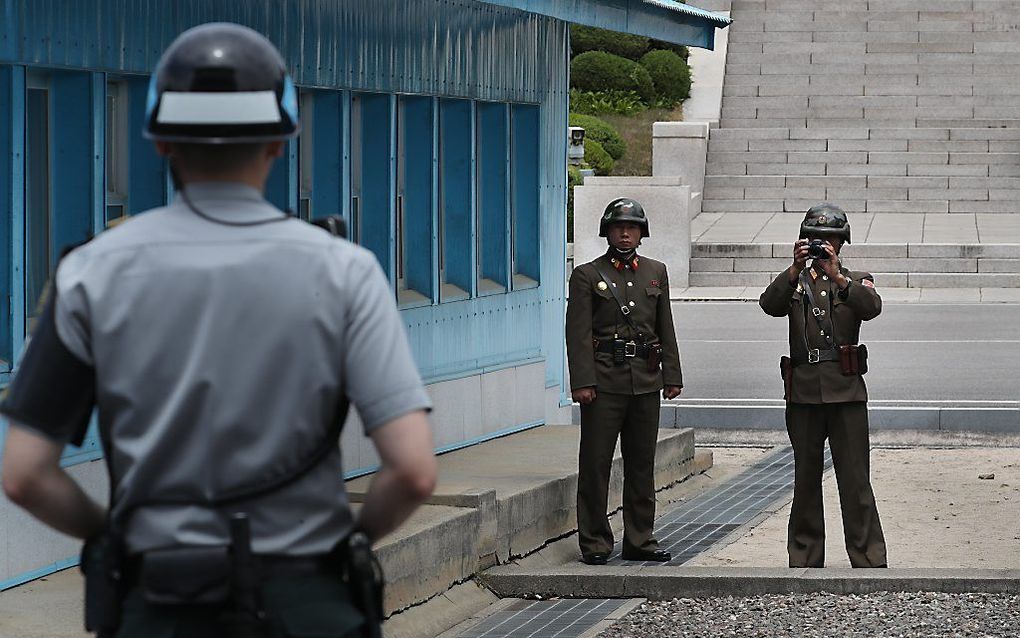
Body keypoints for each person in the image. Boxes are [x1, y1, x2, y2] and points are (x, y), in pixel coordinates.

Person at [1, 22, 437, 637]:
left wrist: (110, 534)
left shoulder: (91, 273)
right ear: (282, 141)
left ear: (158, 141)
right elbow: (415, 471)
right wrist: (349, 541)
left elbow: (23, 474)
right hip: (305, 603)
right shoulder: (344, 271)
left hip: (159, 605)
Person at [759, 202, 887, 568]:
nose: (821, 245)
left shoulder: (856, 279)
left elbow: (872, 307)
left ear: (840, 243)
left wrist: (839, 277)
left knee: (855, 480)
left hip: (846, 392)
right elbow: (768, 305)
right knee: (805, 481)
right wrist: (794, 267)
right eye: (814, 238)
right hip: (803, 393)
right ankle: (804, 556)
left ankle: (868, 557)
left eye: (828, 239)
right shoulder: (793, 281)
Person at [565, 198, 683, 565]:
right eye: (618, 227)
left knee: (642, 463)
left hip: (646, 380)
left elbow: (665, 326)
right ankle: (596, 542)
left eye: (632, 227)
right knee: (596, 464)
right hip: (604, 382)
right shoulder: (587, 275)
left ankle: (640, 539)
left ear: (642, 233)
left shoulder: (655, 271)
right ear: (607, 232)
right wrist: (583, 382)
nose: (625, 233)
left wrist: (672, 375)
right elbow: (578, 333)